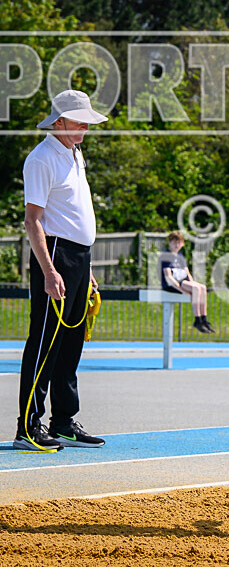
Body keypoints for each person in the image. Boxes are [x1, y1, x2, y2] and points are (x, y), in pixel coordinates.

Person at [14, 90, 107, 450]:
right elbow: (33, 220)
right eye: (80, 121)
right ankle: (28, 427)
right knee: (45, 342)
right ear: (59, 122)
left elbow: (73, 213)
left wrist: (87, 267)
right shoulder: (41, 159)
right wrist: (50, 271)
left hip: (79, 257)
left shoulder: (74, 153)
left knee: (71, 344)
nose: (86, 127)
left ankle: (64, 422)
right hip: (54, 255)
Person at [160, 231, 214, 333]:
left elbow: (187, 273)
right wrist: (180, 289)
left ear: (182, 244)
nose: (176, 245)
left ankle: (204, 319)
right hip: (172, 285)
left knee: (202, 287)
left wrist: (192, 283)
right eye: (174, 242)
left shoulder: (180, 256)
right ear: (169, 242)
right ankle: (197, 320)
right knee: (196, 288)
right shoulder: (166, 256)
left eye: (178, 242)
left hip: (182, 282)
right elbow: (168, 277)